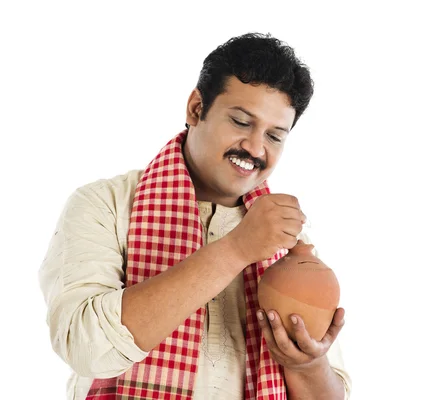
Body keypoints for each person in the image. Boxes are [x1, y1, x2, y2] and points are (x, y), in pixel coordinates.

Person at [39, 33, 351, 399]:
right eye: (240, 121)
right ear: (196, 109)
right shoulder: (106, 203)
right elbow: (85, 347)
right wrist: (236, 249)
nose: (255, 147)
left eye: (275, 136)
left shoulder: (286, 233)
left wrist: (307, 364)